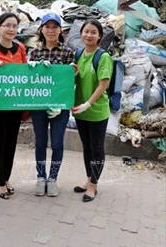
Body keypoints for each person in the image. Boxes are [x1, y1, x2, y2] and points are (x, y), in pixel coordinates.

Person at [28, 12, 75, 197]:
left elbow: (70, 82)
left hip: (59, 107)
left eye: (54, 27)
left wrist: (73, 72)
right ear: (42, 29)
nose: (51, 30)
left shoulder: (67, 52)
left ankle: (53, 178)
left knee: (57, 143)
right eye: (47, 27)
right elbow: (29, 81)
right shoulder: (35, 52)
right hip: (39, 105)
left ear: (60, 30)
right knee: (40, 142)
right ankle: (41, 178)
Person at [72, 19, 112, 202]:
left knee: (96, 148)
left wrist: (88, 103)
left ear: (100, 36)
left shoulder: (103, 57)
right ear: (81, 34)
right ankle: (88, 180)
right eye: (86, 31)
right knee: (87, 147)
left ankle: (94, 185)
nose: (89, 35)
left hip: (96, 111)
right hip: (80, 111)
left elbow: (103, 84)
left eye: (93, 32)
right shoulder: (78, 54)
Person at [0, 12, 27, 199]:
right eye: (7, 25)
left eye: (14, 26)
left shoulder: (20, 49)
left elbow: (25, 74)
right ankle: (0, 182)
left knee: (11, 143)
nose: (11, 29)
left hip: (15, 104)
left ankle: (6, 178)